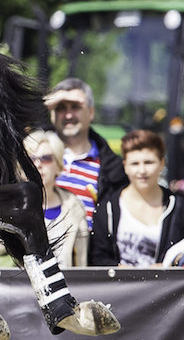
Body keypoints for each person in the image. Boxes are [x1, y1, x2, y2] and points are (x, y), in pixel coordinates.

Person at [89, 130, 184, 267]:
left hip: (166, 288)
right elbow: (98, 257)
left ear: (162, 163)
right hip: (119, 287)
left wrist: (169, 265)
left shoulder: (178, 207)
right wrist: (117, 269)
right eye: (135, 164)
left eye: (149, 162)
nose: (142, 171)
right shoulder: (107, 207)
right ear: (125, 166)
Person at [45, 77, 129, 228]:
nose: (68, 115)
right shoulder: (34, 157)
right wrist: (42, 104)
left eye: (75, 107)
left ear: (91, 112)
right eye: (61, 107)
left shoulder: (113, 169)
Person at [23, 129, 89, 266]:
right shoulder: (9, 205)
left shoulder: (75, 207)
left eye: (46, 158)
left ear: (59, 166)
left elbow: (82, 263)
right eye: (31, 159)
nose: (38, 164)